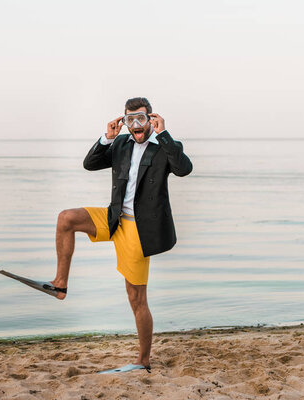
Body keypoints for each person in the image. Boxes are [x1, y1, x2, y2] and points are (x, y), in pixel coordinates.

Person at [48, 97, 193, 372]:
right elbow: (90, 164)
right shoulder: (122, 144)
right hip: (114, 218)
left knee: (136, 297)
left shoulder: (165, 146)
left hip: (140, 229)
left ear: (150, 119)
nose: (135, 125)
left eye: (140, 118)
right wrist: (106, 138)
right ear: (125, 122)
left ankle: (143, 359)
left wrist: (164, 134)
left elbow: (184, 169)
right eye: (130, 120)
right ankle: (60, 283)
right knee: (66, 219)